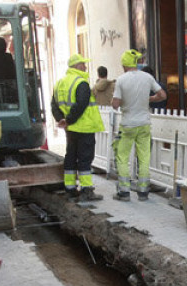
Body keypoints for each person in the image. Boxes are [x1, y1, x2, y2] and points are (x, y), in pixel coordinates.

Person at [111, 49, 166, 201]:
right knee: (144, 157)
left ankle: (124, 192)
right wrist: (149, 99)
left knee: (122, 157)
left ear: (124, 64)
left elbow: (115, 104)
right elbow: (162, 95)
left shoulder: (121, 80)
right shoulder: (147, 77)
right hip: (144, 124)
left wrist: (122, 101)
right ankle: (143, 192)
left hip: (128, 124)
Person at [51, 53, 105, 202]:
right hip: (84, 127)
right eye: (83, 64)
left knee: (71, 156)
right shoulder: (81, 83)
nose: (85, 66)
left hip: (71, 129)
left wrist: (61, 120)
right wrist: (68, 120)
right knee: (85, 158)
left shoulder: (60, 83)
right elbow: (81, 104)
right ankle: (87, 190)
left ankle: (70, 188)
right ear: (77, 66)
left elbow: (54, 105)